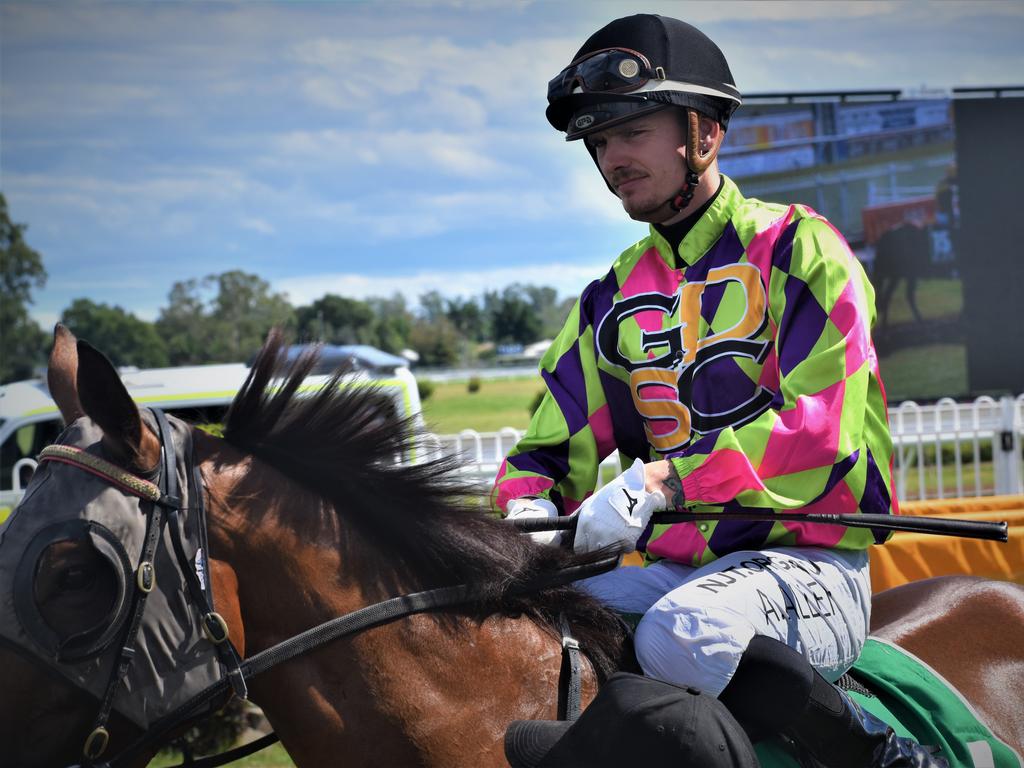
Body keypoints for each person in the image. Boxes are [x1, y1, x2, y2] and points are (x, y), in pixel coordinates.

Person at [494, 13, 946, 768]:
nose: (611, 159)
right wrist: (532, 518)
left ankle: (882, 756)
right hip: (683, 573)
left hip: (814, 569)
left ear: (702, 132)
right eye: (598, 143)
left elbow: (819, 433)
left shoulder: (802, 250)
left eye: (630, 131)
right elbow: (543, 450)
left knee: (681, 634)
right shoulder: (609, 300)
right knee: (532, 629)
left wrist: (665, 483)